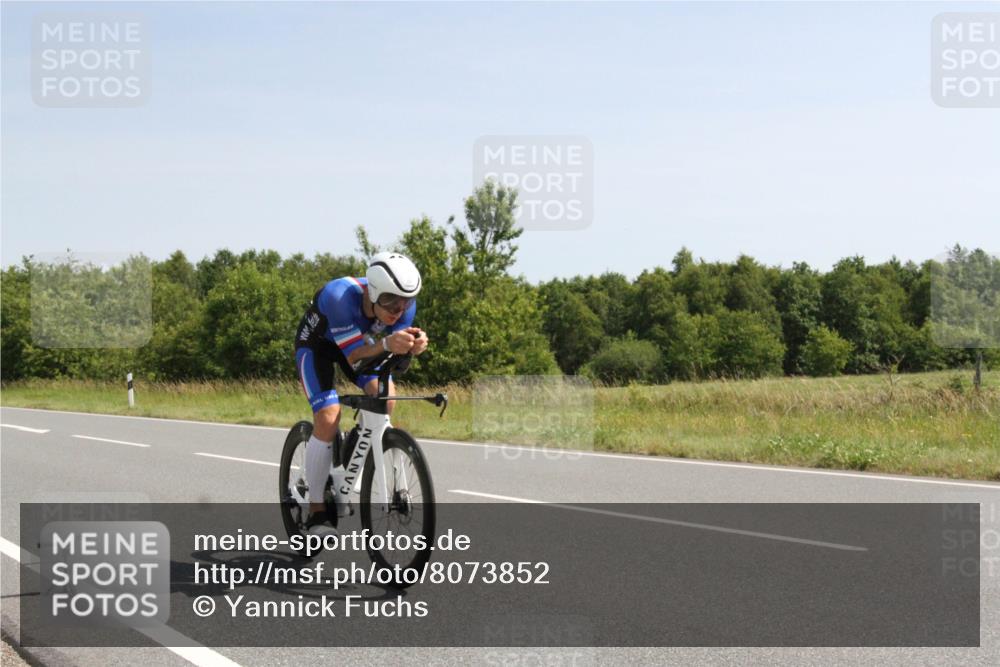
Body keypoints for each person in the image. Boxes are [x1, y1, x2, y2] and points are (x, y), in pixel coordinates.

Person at [293, 252, 429, 536]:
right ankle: (318, 511)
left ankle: (352, 445)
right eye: (391, 301)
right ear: (374, 291)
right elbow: (354, 358)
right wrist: (389, 343)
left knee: (387, 400)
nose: (398, 310)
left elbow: (393, 359)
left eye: (406, 301)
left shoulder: (405, 308)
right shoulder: (339, 296)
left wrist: (411, 347)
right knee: (329, 417)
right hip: (318, 346)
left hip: (360, 345)